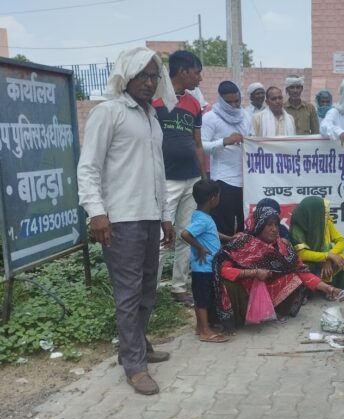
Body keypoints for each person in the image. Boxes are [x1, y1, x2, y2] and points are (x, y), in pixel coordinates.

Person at [77, 47, 177, 395]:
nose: (150, 83)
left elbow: (158, 173)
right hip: (120, 220)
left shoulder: (151, 117)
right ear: (127, 76)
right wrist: (97, 213)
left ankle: (138, 346)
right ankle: (134, 366)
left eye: (154, 77)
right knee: (129, 294)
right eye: (143, 76)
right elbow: (88, 166)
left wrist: (165, 215)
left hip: (149, 216)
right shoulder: (109, 112)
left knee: (149, 289)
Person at [213, 207, 342, 327]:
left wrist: (329, 289)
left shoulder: (283, 246)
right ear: (259, 226)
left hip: (268, 288)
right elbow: (224, 270)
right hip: (246, 290)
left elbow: (301, 271)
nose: (274, 229)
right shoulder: (242, 242)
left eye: (276, 225)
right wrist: (254, 272)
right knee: (227, 285)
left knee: (294, 278)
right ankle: (240, 318)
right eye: (269, 225)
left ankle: (274, 312)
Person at [153, 50, 206, 308]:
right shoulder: (154, 101)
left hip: (191, 179)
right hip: (166, 181)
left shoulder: (194, 104)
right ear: (183, 71)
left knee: (186, 234)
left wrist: (203, 177)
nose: (199, 78)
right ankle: (148, 292)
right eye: (197, 72)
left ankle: (178, 286)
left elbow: (197, 143)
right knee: (163, 237)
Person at [181, 180, 233, 343]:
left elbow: (212, 232)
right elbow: (185, 234)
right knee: (203, 299)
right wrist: (200, 248)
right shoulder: (202, 219)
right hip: (203, 268)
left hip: (206, 267)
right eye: (218, 196)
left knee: (202, 298)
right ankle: (205, 331)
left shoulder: (201, 216)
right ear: (212, 198)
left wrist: (229, 238)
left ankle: (201, 327)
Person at [201, 81, 252, 236]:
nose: (234, 105)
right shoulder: (210, 118)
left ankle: (245, 257)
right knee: (225, 226)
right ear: (221, 100)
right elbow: (202, 146)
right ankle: (223, 258)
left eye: (237, 101)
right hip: (224, 179)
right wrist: (224, 141)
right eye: (229, 102)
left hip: (246, 180)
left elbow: (253, 140)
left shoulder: (246, 116)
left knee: (246, 224)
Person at [290, 196, 344, 290]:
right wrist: (326, 256)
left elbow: (342, 241)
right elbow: (301, 254)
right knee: (307, 267)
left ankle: (333, 288)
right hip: (309, 261)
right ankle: (314, 291)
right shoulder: (297, 226)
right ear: (313, 212)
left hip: (324, 257)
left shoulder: (324, 222)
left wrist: (330, 256)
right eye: (322, 211)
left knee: (341, 258)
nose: (325, 214)